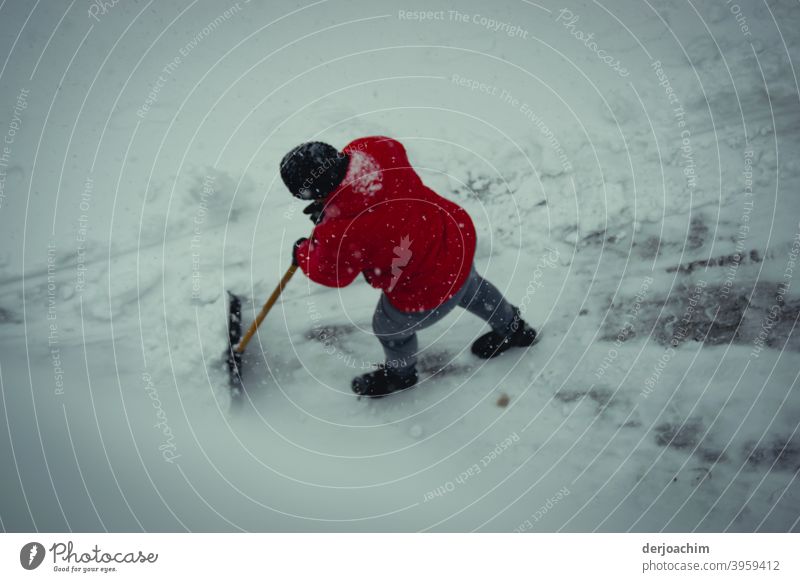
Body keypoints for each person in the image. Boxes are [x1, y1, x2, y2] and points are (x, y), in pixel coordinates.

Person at [281, 136, 538, 397]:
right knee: (469, 285)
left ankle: (400, 376)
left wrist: (303, 253)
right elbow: (387, 151)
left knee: (390, 330)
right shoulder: (376, 150)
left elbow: (332, 273)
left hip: (423, 286)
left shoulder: (341, 232)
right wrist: (332, 205)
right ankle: (514, 329)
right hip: (449, 240)